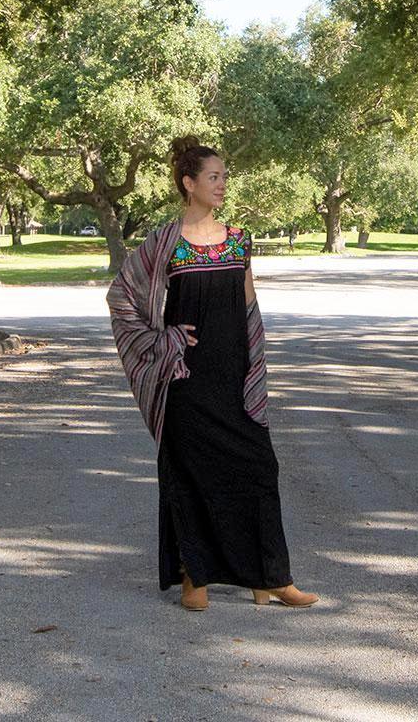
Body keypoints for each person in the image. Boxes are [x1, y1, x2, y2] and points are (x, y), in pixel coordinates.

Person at [106, 135, 319, 611]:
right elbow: (122, 299)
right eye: (214, 177)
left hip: (234, 373)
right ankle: (193, 576)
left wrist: (256, 367)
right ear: (189, 183)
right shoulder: (165, 243)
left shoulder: (239, 239)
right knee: (189, 472)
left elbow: (249, 306)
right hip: (185, 380)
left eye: (225, 177)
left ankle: (273, 576)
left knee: (259, 466)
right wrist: (163, 342)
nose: (222, 184)